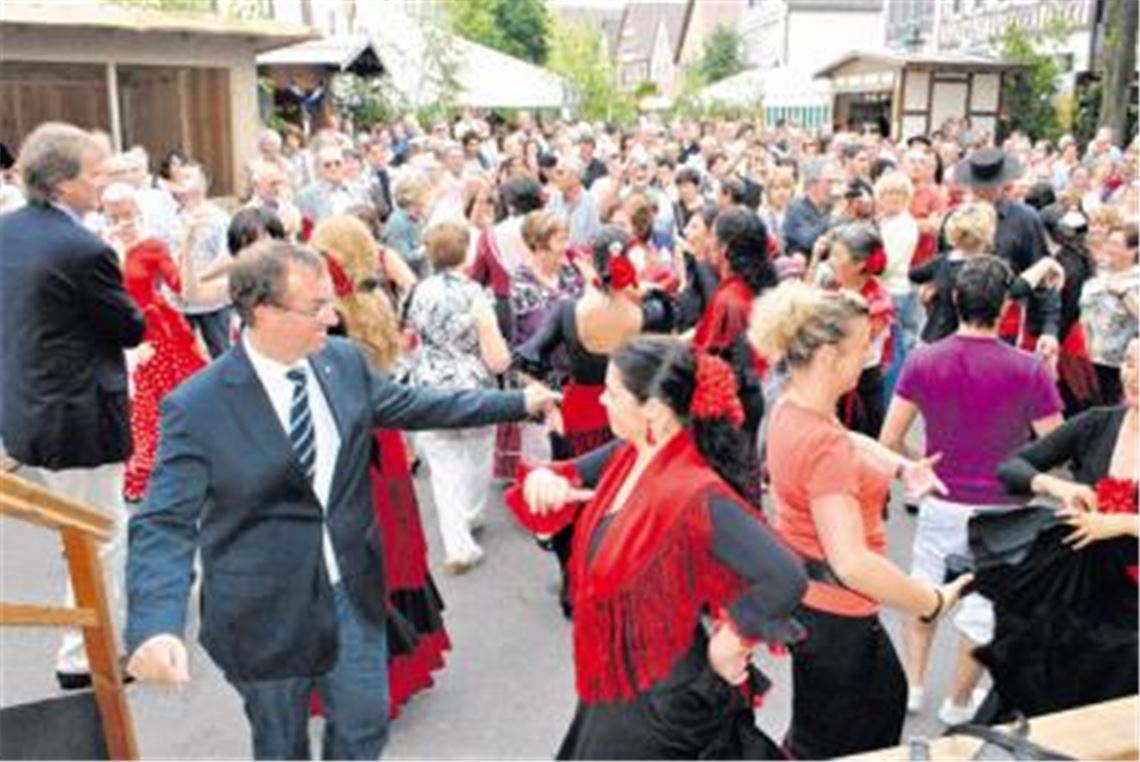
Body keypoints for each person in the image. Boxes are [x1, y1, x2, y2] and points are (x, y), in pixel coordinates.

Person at [125, 241, 559, 760]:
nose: (332, 318)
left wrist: (516, 402)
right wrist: (154, 625)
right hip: (263, 613)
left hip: (351, 592)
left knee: (365, 725)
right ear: (263, 312)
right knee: (281, 745)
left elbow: (417, 404)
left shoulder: (343, 362)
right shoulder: (197, 406)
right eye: (317, 307)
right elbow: (163, 523)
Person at [508, 336, 808, 759]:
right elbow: (564, 477)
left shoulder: (694, 491)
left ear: (651, 408)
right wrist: (548, 479)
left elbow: (785, 575)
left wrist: (733, 638)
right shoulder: (631, 453)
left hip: (659, 703)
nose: (602, 402)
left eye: (613, 394)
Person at [750, 280, 971, 759]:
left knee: (858, 721)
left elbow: (847, 439)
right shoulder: (820, 439)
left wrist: (900, 465)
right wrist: (929, 601)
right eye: (862, 347)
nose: (872, 357)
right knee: (833, 742)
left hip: (819, 604)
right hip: (837, 612)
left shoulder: (792, 406)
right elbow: (851, 563)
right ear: (829, 354)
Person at [879, 255, 1065, 725]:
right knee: (983, 611)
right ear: (1004, 307)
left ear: (955, 298)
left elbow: (888, 438)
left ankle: (915, 685)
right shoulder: (1028, 369)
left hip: (941, 498)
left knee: (923, 593)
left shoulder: (924, 359)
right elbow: (1055, 445)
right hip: (1004, 509)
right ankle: (958, 701)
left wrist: (916, 463)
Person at [0, 123, 146, 689]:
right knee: (102, 535)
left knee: (82, 536)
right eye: (96, 174)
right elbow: (129, 327)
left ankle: (87, 648)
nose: (104, 183)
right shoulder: (84, 248)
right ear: (62, 185)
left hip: (27, 407)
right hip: (77, 416)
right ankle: (85, 658)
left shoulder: (7, 232)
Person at [309, 214, 450, 719]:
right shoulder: (373, 301)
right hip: (385, 435)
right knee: (394, 540)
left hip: (352, 446)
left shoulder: (328, 315)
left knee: (354, 553)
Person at [516, 226, 673, 616]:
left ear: (591, 262)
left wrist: (549, 406)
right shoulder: (645, 312)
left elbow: (527, 357)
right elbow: (673, 320)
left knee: (572, 504)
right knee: (628, 499)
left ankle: (575, 584)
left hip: (578, 413)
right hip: (631, 416)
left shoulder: (568, 310)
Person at [986, 338, 1138, 717]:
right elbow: (1012, 468)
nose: (1134, 375)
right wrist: (1057, 485)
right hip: (1075, 592)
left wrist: (1123, 522)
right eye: (1131, 362)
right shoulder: (1097, 423)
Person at [404, 221, 514, 574]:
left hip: (431, 383)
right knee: (479, 454)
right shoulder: (475, 294)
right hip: (473, 383)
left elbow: (407, 333)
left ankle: (457, 542)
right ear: (465, 252)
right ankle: (471, 513)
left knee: (443, 466)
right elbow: (495, 353)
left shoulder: (417, 291)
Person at [101, 183, 207, 502]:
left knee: (159, 401)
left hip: (156, 332)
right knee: (135, 405)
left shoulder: (152, 246)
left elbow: (177, 284)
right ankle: (144, 473)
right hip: (118, 334)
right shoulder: (100, 249)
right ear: (106, 217)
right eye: (116, 216)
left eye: (129, 214)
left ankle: (179, 467)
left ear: (139, 212)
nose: (125, 222)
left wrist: (187, 247)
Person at [692, 208, 776, 450]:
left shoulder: (729, 301)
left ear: (725, 249)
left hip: (738, 411)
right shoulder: (754, 287)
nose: (708, 242)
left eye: (713, 237)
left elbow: (714, 365)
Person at [818, 223, 894, 437]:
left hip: (860, 387)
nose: (830, 262)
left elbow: (852, 347)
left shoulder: (878, 303)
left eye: (838, 255)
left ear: (859, 264)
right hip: (836, 381)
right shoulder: (834, 286)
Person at [169, 162, 234, 358]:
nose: (183, 182)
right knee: (182, 356)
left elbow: (229, 257)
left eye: (189, 177)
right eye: (179, 178)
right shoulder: (171, 216)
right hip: (177, 301)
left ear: (205, 183)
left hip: (210, 300)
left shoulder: (219, 219)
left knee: (220, 353)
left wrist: (199, 281)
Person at [1080, 223, 1139, 404]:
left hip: (1123, 367)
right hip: (1091, 361)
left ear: (1133, 251)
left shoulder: (1136, 281)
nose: (1109, 249)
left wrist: (1123, 294)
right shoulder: (1098, 278)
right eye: (1109, 243)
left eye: (1116, 244)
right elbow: (1084, 317)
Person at [548, 153, 601, 249]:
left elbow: (594, 238)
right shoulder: (555, 197)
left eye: (560, 173)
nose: (553, 176)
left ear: (575, 177)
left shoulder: (591, 201)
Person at [783, 158, 833, 257]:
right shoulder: (796, 209)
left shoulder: (829, 207)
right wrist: (832, 218)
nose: (832, 187)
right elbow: (807, 241)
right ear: (812, 185)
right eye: (829, 182)